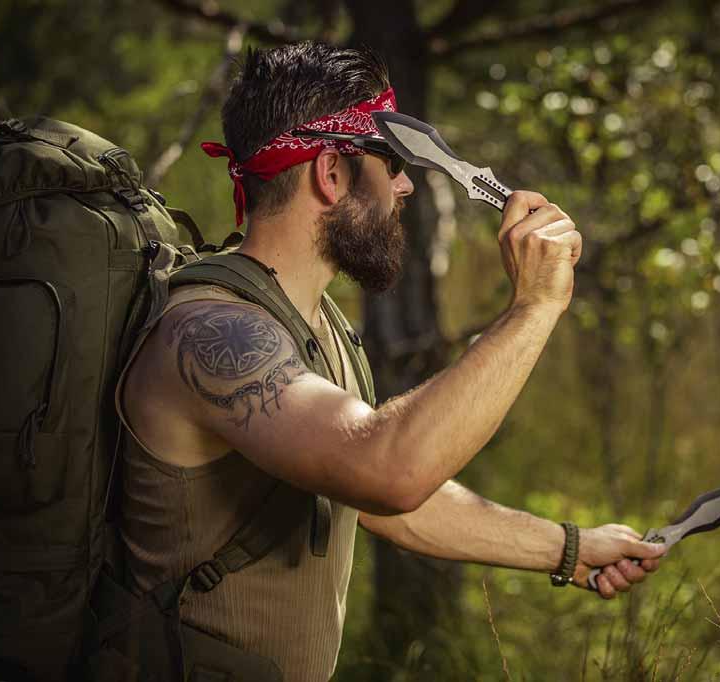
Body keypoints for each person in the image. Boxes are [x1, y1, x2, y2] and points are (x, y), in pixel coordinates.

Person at [116, 42, 666, 681]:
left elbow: (371, 493)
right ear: (331, 173)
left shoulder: (317, 327)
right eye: (393, 162)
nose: (405, 184)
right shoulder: (213, 333)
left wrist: (570, 548)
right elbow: (387, 471)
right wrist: (533, 308)